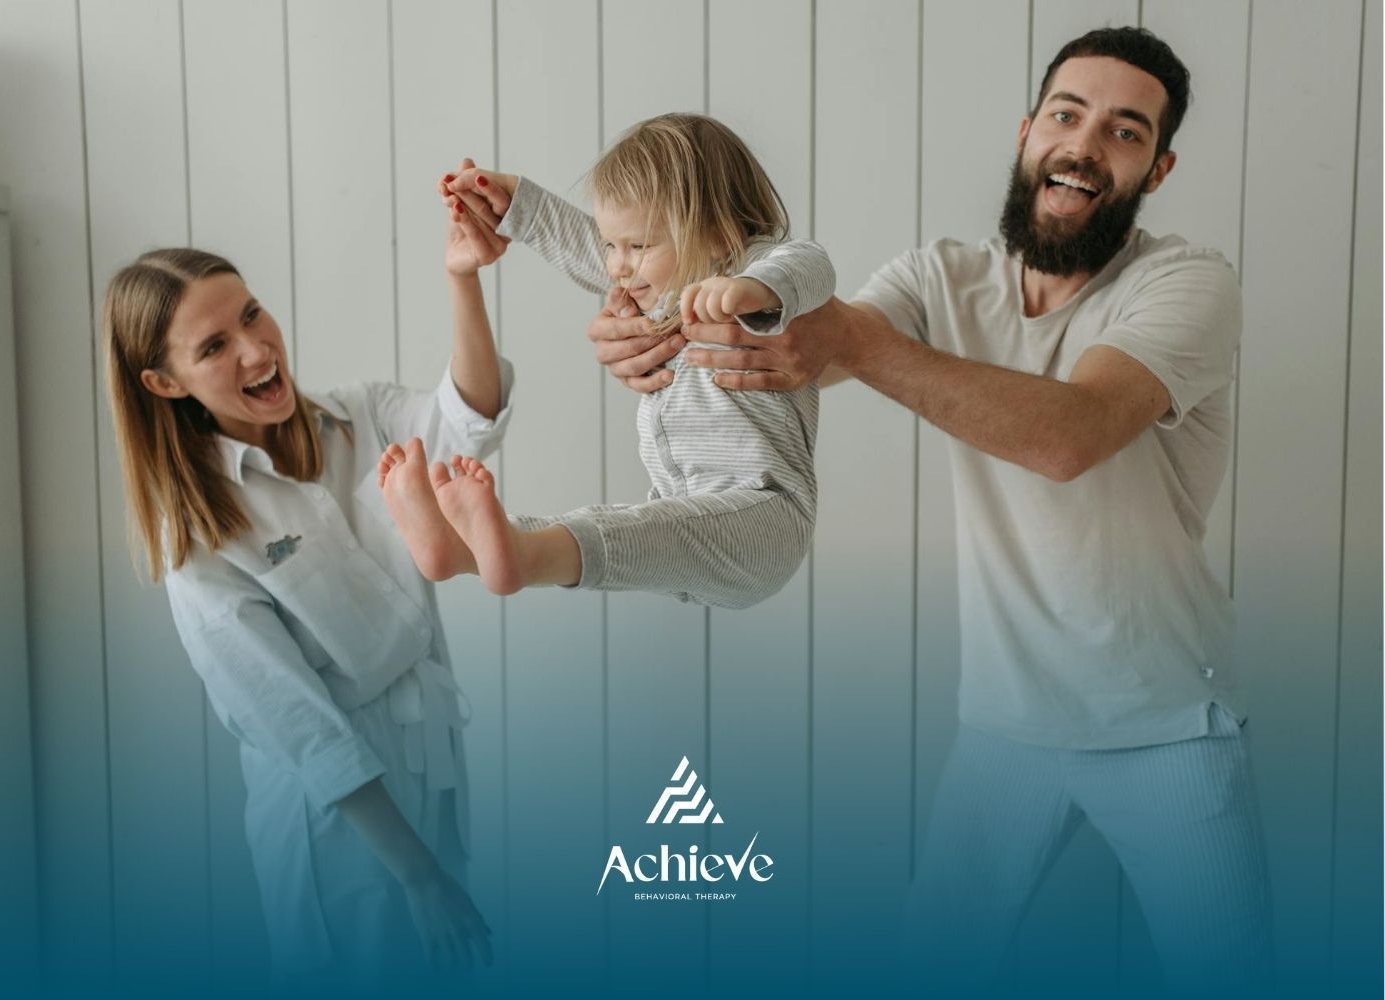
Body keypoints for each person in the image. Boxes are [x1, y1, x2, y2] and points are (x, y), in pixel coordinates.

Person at [554, 27, 1276, 998]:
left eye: (1122, 131)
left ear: (1157, 165)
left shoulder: (1186, 284)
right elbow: (796, 339)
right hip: (1003, 725)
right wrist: (648, 319)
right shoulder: (942, 276)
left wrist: (845, 337)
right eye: (1065, 115)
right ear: (1026, 132)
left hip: (1166, 725)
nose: (1081, 145)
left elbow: (1068, 434)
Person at [102, 162, 509, 990]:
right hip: (344, 838)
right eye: (215, 347)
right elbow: (302, 728)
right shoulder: (200, 542)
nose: (256, 350)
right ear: (163, 383)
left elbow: (469, 420)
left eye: (251, 314)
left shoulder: (355, 415)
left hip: (435, 769)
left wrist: (461, 280)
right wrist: (418, 877)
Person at [380, 113, 835, 610]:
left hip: (766, 513)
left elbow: (811, 264)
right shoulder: (664, 289)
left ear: (719, 233)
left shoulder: (750, 269)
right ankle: (463, 547)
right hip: (679, 507)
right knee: (616, 528)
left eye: (638, 246)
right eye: (610, 245)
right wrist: (518, 205)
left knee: (621, 532)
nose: (617, 265)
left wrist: (752, 288)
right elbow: (582, 244)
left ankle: (519, 555)